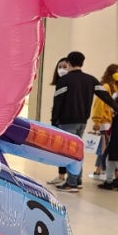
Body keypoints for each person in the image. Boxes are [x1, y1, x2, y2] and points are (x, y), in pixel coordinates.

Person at [51, 50, 118, 192]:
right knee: (77, 150)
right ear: (82, 63)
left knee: (69, 152)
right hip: (82, 121)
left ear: (68, 63)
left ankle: (71, 183)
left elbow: (58, 102)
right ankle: (77, 180)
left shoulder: (64, 81)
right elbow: (105, 96)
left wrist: (54, 121)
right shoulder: (90, 80)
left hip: (66, 122)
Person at [89, 62, 118, 178]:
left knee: (104, 147)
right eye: (116, 72)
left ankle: (99, 169)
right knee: (104, 147)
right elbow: (99, 104)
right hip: (104, 122)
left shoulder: (114, 87)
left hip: (109, 121)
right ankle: (100, 169)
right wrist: (97, 120)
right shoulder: (106, 87)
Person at [47, 56, 70, 186]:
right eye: (59, 67)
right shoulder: (60, 83)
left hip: (66, 121)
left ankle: (69, 178)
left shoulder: (69, 83)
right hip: (59, 120)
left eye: (64, 67)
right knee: (60, 149)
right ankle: (62, 176)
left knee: (66, 150)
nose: (61, 69)